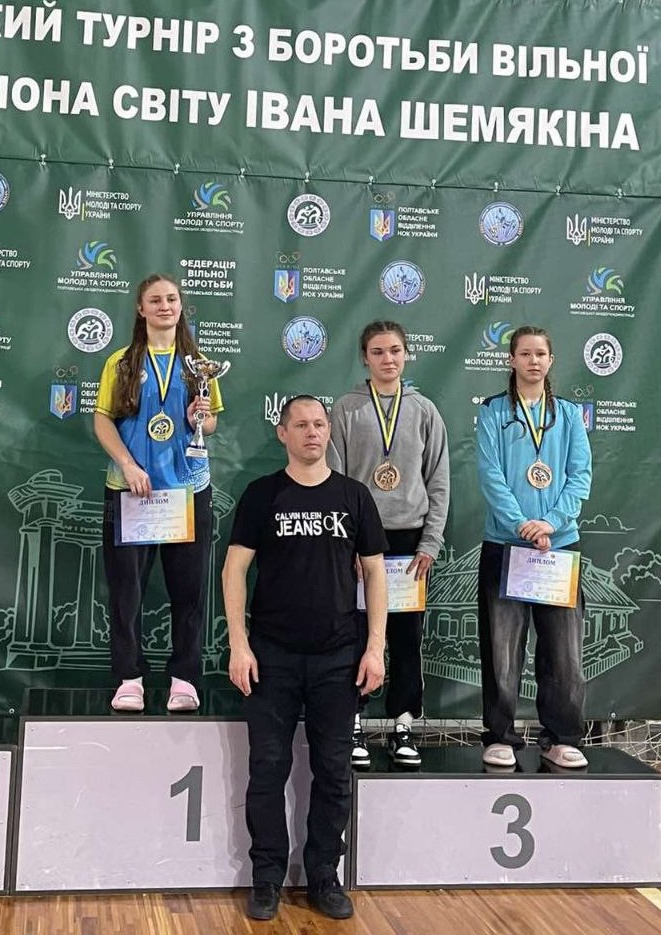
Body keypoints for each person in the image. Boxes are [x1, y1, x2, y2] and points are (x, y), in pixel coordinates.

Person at [222, 395, 387, 921]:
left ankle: (323, 877)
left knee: (333, 771)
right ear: (283, 434)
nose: (312, 432)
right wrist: (239, 644)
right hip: (271, 656)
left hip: (340, 657)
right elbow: (233, 571)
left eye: (319, 424)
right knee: (267, 769)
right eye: (301, 425)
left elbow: (376, 573)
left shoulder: (355, 496)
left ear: (329, 431)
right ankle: (267, 877)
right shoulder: (261, 494)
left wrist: (375, 647)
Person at [94, 273, 223, 713]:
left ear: (181, 306)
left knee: (189, 592)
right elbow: (102, 420)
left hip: (187, 491)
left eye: (171, 298)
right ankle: (128, 677)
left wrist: (197, 417)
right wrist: (128, 465)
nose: (164, 306)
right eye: (155, 300)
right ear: (141, 308)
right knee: (126, 592)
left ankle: (184, 679)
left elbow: (210, 424)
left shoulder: (199, 364)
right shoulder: (120, 363)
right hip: (131, 490)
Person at [328, 321, 449, 768]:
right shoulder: (346, 409)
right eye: (378, 352)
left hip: (410, 542)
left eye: (395, 350)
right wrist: (346, 545)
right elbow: (335, 482)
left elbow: (439, 481)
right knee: (355, 634)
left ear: (406, 354)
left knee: (406, 637)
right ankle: (353, 721)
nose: (388, 359)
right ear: (365, 357)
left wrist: (430, 543)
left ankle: (403, 725)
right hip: (360, 541)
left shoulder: (424, 410)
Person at [476, 325, 592, 769]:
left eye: (540, 354)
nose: (533, 361)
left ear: (551, 360)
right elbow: (490, 475)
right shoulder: (493, 413)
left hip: (558, 547)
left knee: (564, 651)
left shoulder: (569, 415)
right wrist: (522, 524)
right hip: (506, 544)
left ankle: (561, 737)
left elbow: (580, 476)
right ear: (511, 360)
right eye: (524, 354)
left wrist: (551, 523)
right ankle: (500, 735)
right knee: (501, 651)